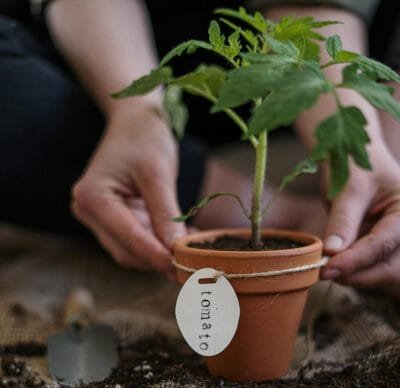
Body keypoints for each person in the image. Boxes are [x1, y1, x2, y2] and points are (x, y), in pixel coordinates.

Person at [0, 0, 399, 299]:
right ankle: (288, 216)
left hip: (322, 51)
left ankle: (376, 195)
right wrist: (138, 113)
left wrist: (351, 148)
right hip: (118, 62)